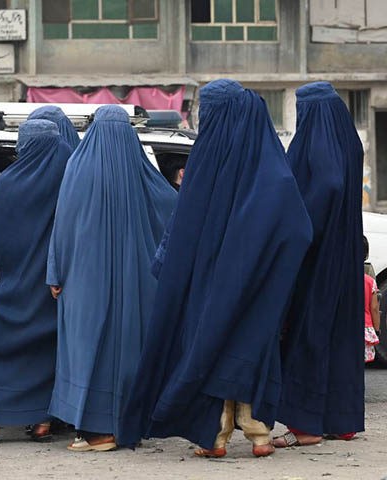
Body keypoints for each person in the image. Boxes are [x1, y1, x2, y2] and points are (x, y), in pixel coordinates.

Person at [118, 79, 313, 458]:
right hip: (259, 288)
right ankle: (257, 433)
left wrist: (170, 269)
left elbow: (182, 228)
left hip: (208, 286)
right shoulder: (273, 170)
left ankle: (218, 433)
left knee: (208, 347)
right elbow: (298, 229)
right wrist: (267, 269)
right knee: (251, 346)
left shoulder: (207, 164)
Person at [46, 104, 177, 452]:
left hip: (84, 283)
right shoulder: (143, 172)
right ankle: (123, 424)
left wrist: (55, 273)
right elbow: (173, 209)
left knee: (87, 349)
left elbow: (64, 225)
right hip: (137, 283)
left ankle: (95, 429)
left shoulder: (78, 167)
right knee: (129, 350)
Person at [0, 119, 73, 445]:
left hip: (14, 283)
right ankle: (41, 422)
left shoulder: (8, 183)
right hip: (54, 288)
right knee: (47, 353)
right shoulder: (68, 181)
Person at [273, 82, 365, 449]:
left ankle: (306, 426)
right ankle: (340, 420)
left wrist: (302, 226)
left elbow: (328, 182)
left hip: (319, 254)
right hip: (344, 252)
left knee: (309, 332)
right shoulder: (347, 140)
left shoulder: (319, 141)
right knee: (340, 335)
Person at [363, 236, 381, 363]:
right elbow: (374, 308)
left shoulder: (341, 278)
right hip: (365, 328)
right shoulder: (370, 282)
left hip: (344, 327)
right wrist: (377, 328)